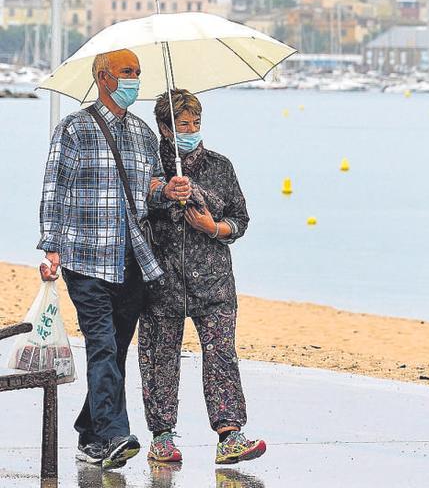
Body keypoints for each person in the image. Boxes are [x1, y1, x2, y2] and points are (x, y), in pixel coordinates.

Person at [37, 49, 191, 469]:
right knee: (102, 344)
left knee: (117, 348)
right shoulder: (74, 129)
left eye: (138, 73)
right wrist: (50, 246)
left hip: (133, 259)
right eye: (128, 73)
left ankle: (90, 433)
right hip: (85, 257)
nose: (134, 80)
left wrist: (168, 190)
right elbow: (55, 188)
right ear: (104, 78)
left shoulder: (143, 133)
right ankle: (113, 436)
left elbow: (149, 188)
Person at [138, 88, 265, 465]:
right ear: (164, 129)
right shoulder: (147, 167)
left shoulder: (220, 166)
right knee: (160, 359)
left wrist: (214, 227)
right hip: (162, 284)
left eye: (196, 123)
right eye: (182, 124)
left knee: (221, 356)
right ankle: (161, 437)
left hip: (214, 285)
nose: (191, 130)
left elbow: (240, 220)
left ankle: (230, 436)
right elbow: (132, 206)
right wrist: (163, 192)